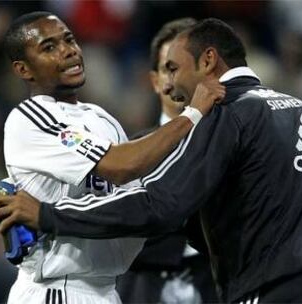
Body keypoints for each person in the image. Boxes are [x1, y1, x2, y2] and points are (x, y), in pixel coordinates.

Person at [0, 18, 302, 303]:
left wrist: (47, 214)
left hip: (273, 286)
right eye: (50, 46)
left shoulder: (222, 114)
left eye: (174, 68)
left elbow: (156, 199)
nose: (169, 85)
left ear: (208, 61)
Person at [0, 12, 224, 304]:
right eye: (49, 47)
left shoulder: (102, 119)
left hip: (105, 290)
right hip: (56, 289)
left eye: (69, 39)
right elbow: (122, 166)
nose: (68, 50)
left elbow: (137, 198)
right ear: (24, 69)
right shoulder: (29, 117)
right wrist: (193, 114)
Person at [116, 18, 218, 304]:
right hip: (144, 293)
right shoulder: (131, 153)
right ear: (154, 80)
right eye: (168, 69)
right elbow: (124, 238)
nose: (176, 80)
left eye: (184, 67)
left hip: (217, 290)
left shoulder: (232, 144)